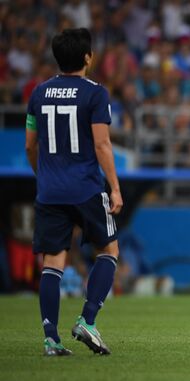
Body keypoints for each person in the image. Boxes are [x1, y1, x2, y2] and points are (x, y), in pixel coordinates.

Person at [25, 28, 123, 356]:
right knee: (109, 250)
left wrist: (45, 176)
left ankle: (51, 338)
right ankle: (88, 320)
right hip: (85, 188)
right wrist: (116, 186)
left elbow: (30, 143)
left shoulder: (38, 93)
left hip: (50, 191)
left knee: (53, 261)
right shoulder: (95, 94)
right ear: (87, 57)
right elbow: (101, 143)